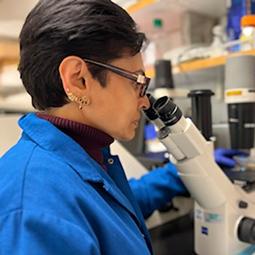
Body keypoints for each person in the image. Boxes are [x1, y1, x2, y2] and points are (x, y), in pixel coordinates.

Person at [0, 1, 243, 254]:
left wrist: (183, 172)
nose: (144, 100)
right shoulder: (33, 211)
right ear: (78, 79)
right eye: (137, 81)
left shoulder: (77, 158)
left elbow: (109, 208)